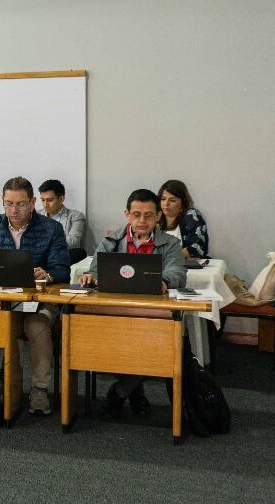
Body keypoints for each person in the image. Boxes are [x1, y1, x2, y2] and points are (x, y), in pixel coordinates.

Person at [76, 189, 188, 418]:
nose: (142, 221)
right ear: (127, 214)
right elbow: (95, 270)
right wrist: (90, 277)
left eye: (148, 215)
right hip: (115, 313)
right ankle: (134, 390)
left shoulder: (171, 244)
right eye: (136, 214)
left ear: (158, 216)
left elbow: (177, 272)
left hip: (154, 315)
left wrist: (165, 281)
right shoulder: (110, 242)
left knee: (162, 345)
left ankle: (120, 391)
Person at [0, 177, 70, 416]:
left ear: (33, 202)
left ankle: (39, 389)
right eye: (9, 204)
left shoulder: (51, 228)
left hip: (38, 299)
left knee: (36, 327)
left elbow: (62, 270)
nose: (14, 210)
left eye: (21, 204)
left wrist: (47, 274)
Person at [158, 179, 209, 258]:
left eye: (172, 200)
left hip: (187, 267)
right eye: (163, 199)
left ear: (183, 202)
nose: (166, 204)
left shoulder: (191, 215)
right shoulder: (154, 217)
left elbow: (196, 249)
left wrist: (162, 256)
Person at [39, 178, 87, 259]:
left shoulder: (75, 216)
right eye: (43, 200)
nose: (45, 204)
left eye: (49, 200)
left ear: (61, 199)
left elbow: (73, 242)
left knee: (78, 253)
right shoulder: (36, 215)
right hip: (40, 254)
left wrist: (45, 244)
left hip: (61, 254)